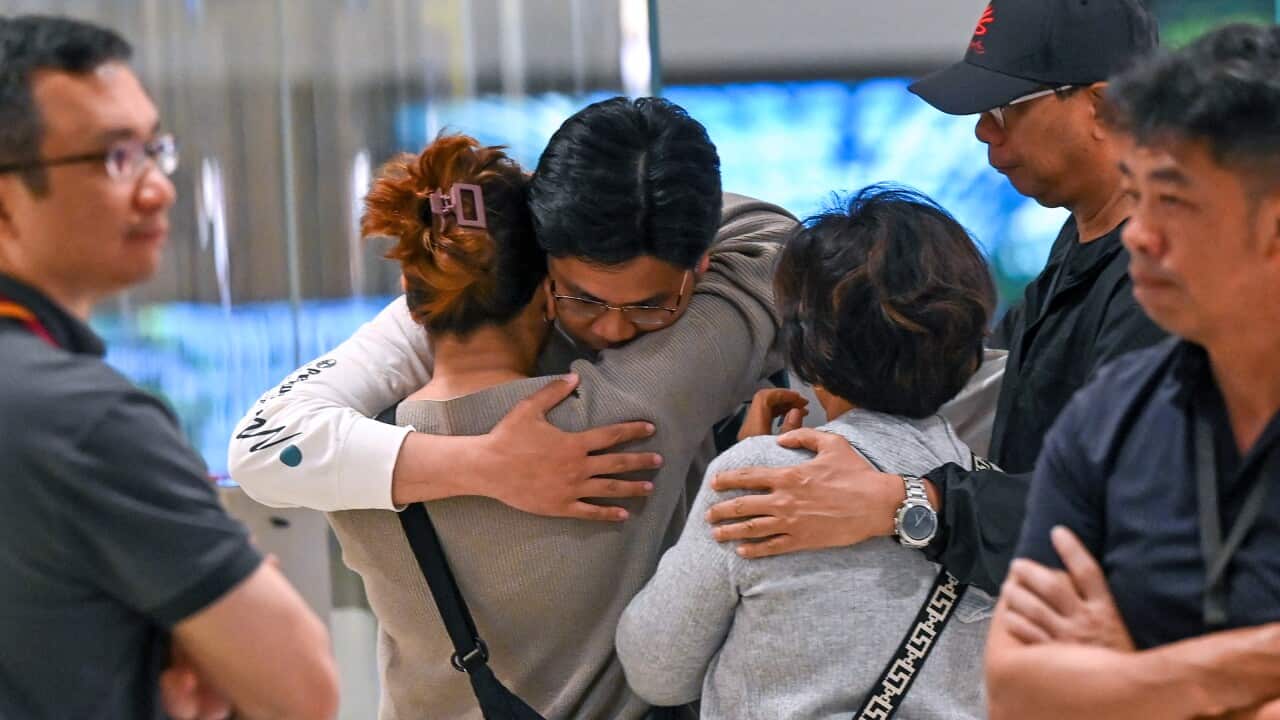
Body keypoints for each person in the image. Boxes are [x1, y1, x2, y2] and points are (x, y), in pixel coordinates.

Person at [236, 99, 792, 716]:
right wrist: (487, 464)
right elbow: (777, 241)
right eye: (581, 298)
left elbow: (270, 446)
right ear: (541, 277)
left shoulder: (362, 456)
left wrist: (559, 201)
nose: (613, 329)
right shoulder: (641, 400)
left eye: (650, 305)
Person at [705, 0, 1167, 594]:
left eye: (1005, 108)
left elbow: (1123, 510)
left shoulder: (1173, 280)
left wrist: (905, 503)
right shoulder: (1082, 240)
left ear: (1101, 106)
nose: (983, 130)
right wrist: (790, 429)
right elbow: (978, 384)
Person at [0, 14, 337, 720]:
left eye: (154, 150)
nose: (159, 190)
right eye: (115, 158)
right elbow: (301, 691)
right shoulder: (81, 420)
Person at [984, 22, 1280, 719]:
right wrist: (1232, 674)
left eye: (1172, 202)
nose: (1139, 236)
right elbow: (1016, 690)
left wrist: (1127, 677)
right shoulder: (1111, 415)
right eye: (1136, 198)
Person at [616, 186, 997, 719]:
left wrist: (741, 466)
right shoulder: (996, 507)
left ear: (808, 352)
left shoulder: (762, 477)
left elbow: (657, 668)